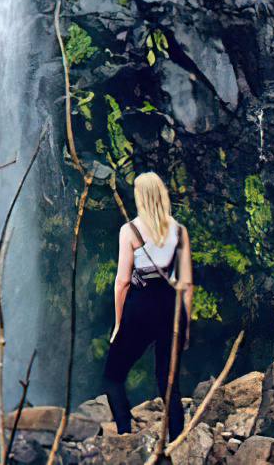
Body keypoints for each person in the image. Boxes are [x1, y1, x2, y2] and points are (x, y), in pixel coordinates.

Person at [102, 171, 193, 440]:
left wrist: (119, 323)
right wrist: (185, 329)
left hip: (142, 307)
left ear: (140, 198)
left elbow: (122, 282)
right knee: (168, 380)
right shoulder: (179, 230)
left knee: (113, 376)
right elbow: (186, 283)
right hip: (172, 306)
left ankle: (124, 433)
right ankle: (177, 439)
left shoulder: (129, 230)